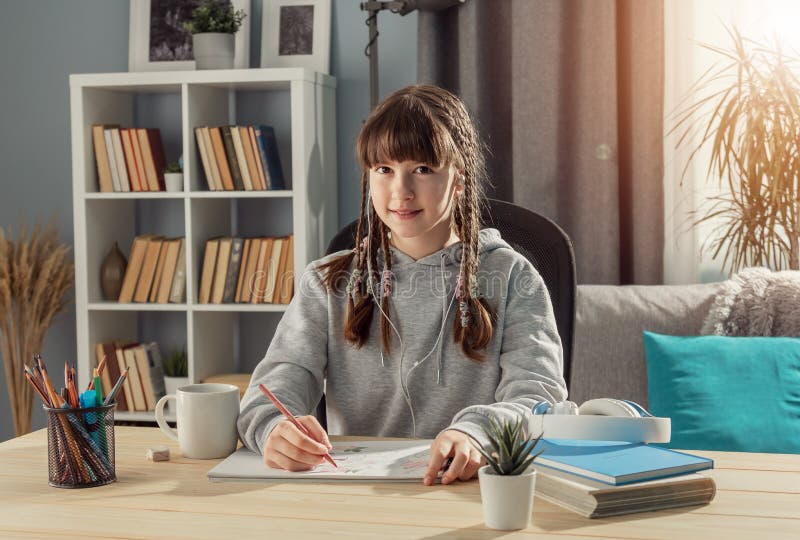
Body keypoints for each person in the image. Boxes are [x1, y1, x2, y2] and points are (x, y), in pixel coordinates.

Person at [237, 84, 567, 486]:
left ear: (458, 179)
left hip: (470, 488)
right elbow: (272, 389)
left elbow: (538, 398)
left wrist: (476, 433)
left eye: (423, 169)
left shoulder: (514, 277)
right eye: (384, 170)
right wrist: (274, 429)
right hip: (350, 494)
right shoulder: (327, 282)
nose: (401, 191)